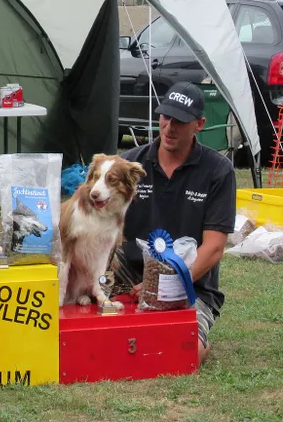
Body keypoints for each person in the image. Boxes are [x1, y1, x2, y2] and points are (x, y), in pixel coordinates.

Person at [111, 81, 236, 365]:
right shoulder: (129, 164)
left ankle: (193, 329)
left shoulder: (218, 171)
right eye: (165, 117)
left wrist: (161, 285)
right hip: (128, 274)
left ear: (199, 124)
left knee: (186, 353)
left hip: (190, 283)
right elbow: (101, 222)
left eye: (180, 121)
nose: (169, 128)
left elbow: (214, 248)